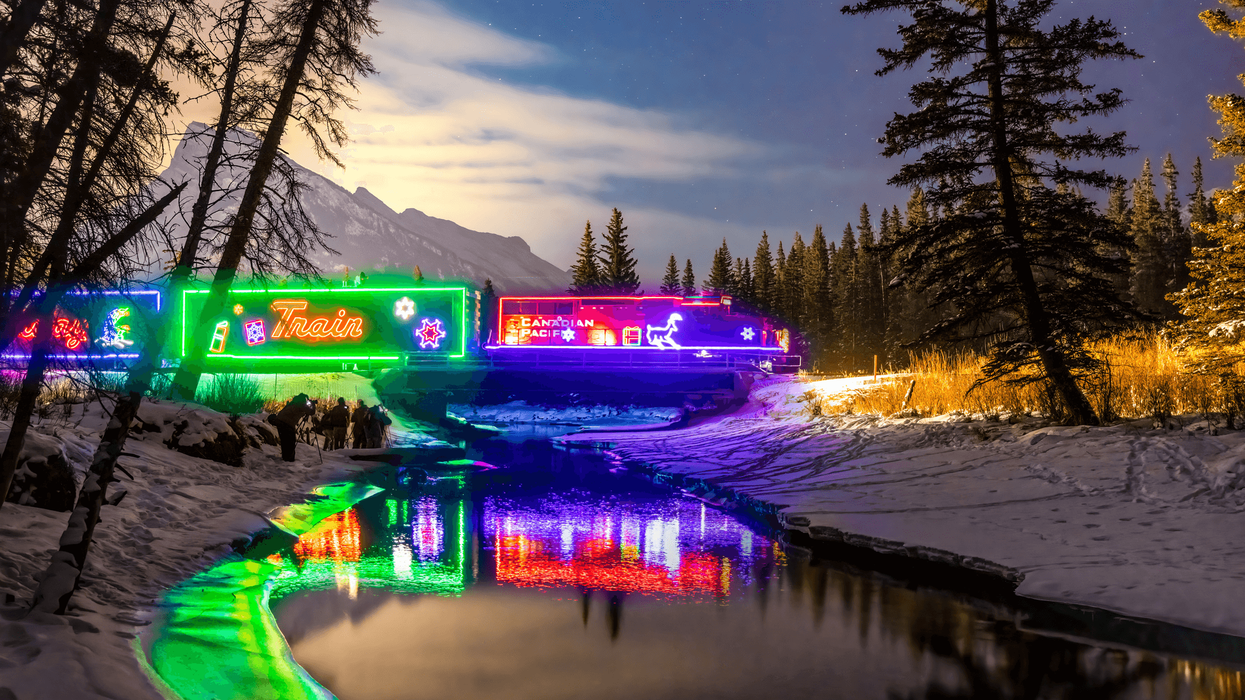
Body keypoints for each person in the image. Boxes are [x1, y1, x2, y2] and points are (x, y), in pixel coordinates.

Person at [270, 393, 314, 462]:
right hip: (287, 424)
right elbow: (312, 412)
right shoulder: (301, 404)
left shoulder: (293, 403)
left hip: (280, 422)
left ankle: (285, 458)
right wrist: (312, 404)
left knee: (285, 441)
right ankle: (289, 460)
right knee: (290, 442)